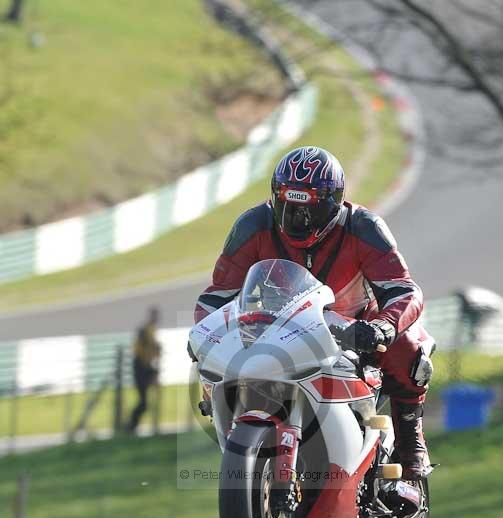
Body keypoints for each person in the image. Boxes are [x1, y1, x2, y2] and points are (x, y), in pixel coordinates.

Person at [194, 146, 434, 478]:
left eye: (308, 210)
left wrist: (383, 328)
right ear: (275, 199)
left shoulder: (363, 227)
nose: (296, 220)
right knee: (212, 358)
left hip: (354, 333)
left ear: (333, 203)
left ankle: (410, 442)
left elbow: (403, 289)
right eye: (288, 207)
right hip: (278, 333)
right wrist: (206, 340)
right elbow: (215, 298)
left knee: (409, 346)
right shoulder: (253, 225)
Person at [127, 307, 162, 432]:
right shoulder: (145, 330)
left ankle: (132, 426)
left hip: (145, 366)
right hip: (140, 366)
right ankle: (130, 425)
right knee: (143, 403)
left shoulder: (151, 330)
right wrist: (156, 348)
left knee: (144, 402)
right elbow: (144, 346)